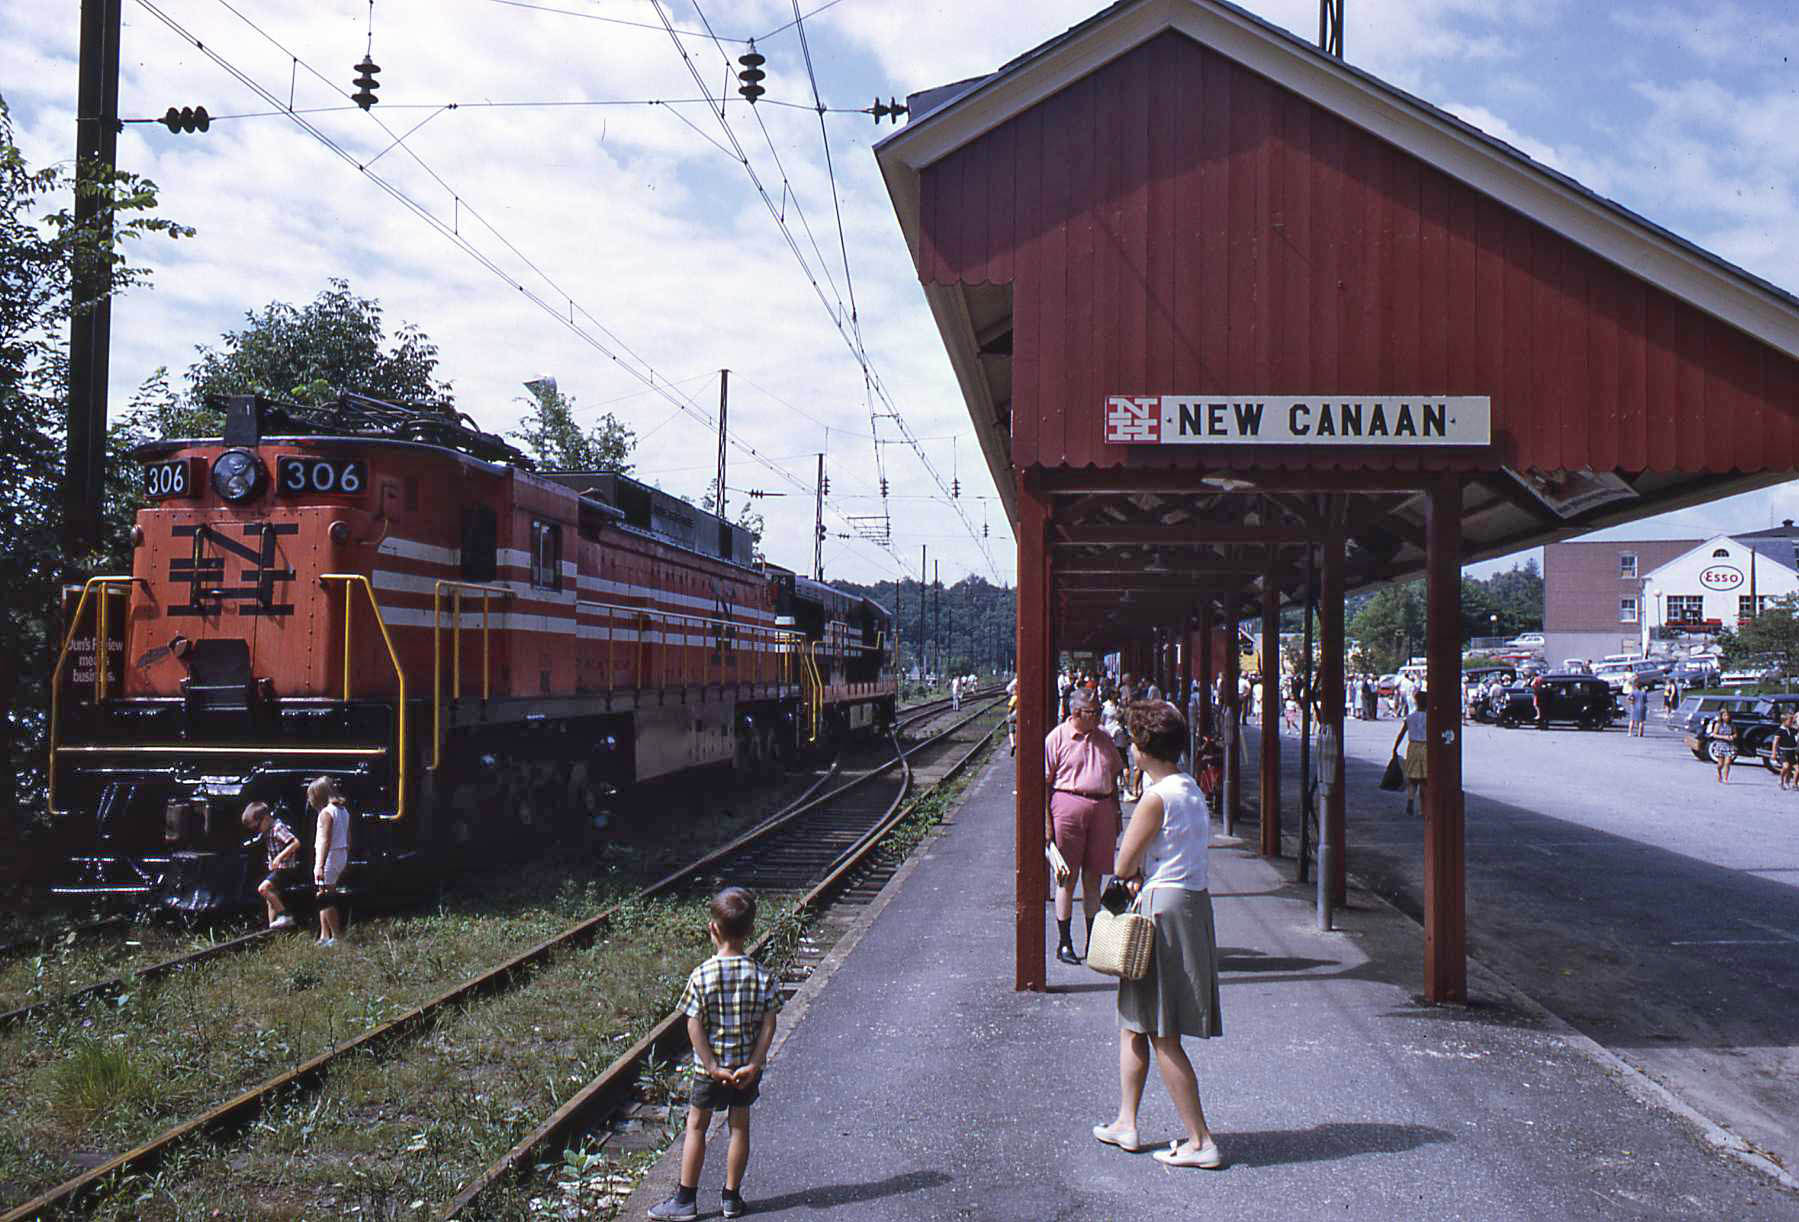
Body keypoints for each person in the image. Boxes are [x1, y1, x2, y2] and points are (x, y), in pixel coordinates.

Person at [1093, 699, 1224, 1170]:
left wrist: (1129, 869)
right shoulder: (1188, 788)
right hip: (1189, 904)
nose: (1128, 749)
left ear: (1144, 747)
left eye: (1131, 741)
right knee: (1135, 1020)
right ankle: (1127, 1122)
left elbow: (1123, 865)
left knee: (1163, 1033)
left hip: (1160, 912)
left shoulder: (1155, 797)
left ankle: (1200, 1140)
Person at [650, 887, 782, 1221]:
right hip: (744, 1070)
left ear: (713, 928)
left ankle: (685, 1201)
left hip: (709, 1071)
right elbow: (769, 1023)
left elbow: (693, 1024)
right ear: (751, 931)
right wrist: (755, 1062)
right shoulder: (761, 976)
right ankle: (731, 1199)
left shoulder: (702, 975)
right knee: (739, 1127)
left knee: (696, 1126)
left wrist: (710, 1065)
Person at [1045, 689, 1126, 965]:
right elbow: (1044, 784)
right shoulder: (1056, 738)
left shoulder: (1103, 738)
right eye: (1093, 712)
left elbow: (1114, 778)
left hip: (1101, 807)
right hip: (1067, 806)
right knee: (1067, 877)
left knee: (1094, 879)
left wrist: (1115, 813)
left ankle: (1093, 941)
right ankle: (1064, 942)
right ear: (1076, 713)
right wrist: (1047, 826)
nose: (1098, 716)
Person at [242, 801, 300, 930]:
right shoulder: (267, 830)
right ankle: (272, 926)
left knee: (263, 889)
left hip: (285, 868)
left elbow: (295, 843)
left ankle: (285, 916)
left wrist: (279, 857)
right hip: (277, 869)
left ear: (266, 818)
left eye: (257, 827)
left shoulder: (277, 828)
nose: (257, 830)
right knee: (270, 899)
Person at [308, 776, 350, 946]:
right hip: (340, 854)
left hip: (329, 856)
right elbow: (348, 836)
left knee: (326, 897)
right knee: (322, 894)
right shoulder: (342, 811)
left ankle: (336, 937)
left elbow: (325, 840)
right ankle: (324, 936)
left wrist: (319, 865)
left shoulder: (326, 813)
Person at [1391, 691, 1430, 816]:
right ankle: (1424, 809)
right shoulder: (1430, 718)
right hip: (1425, 747)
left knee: (1413, 778)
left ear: (1416, 702)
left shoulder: (1410, 717)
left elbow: (1401, 734)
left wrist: (1395, 747)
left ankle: (1411, 799)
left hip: (1413, 746)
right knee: (1424, 779)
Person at [1710, 708, 1737, 784]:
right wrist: (1723, 737)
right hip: (1720, 745)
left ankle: (1726, 778)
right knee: (1720, 764)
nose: (1726, 717)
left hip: (1729, 745)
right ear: (1721, 716)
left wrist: (1732, 737)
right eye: (1725, 715)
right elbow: (1714, 734)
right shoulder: (1718, 725)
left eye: (1728, 715)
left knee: (1727, 763)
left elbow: (1735, 734)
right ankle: (1719, 773)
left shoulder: (1732, 725)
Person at [1776, 713, 1799, 792]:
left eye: (1792, 721)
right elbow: (1775, 742)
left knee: (1797, 769)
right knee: (1786, 767)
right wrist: (1774, 753)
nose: (1792, 722)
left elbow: (1797, 729)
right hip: (1784, 751)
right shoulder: (1780, 731)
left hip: (1792, 751)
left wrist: (1796, 718)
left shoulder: (1792, 729)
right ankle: (1781, 781)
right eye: (1790, 721)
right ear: (1784, 721)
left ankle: (1794, 784)